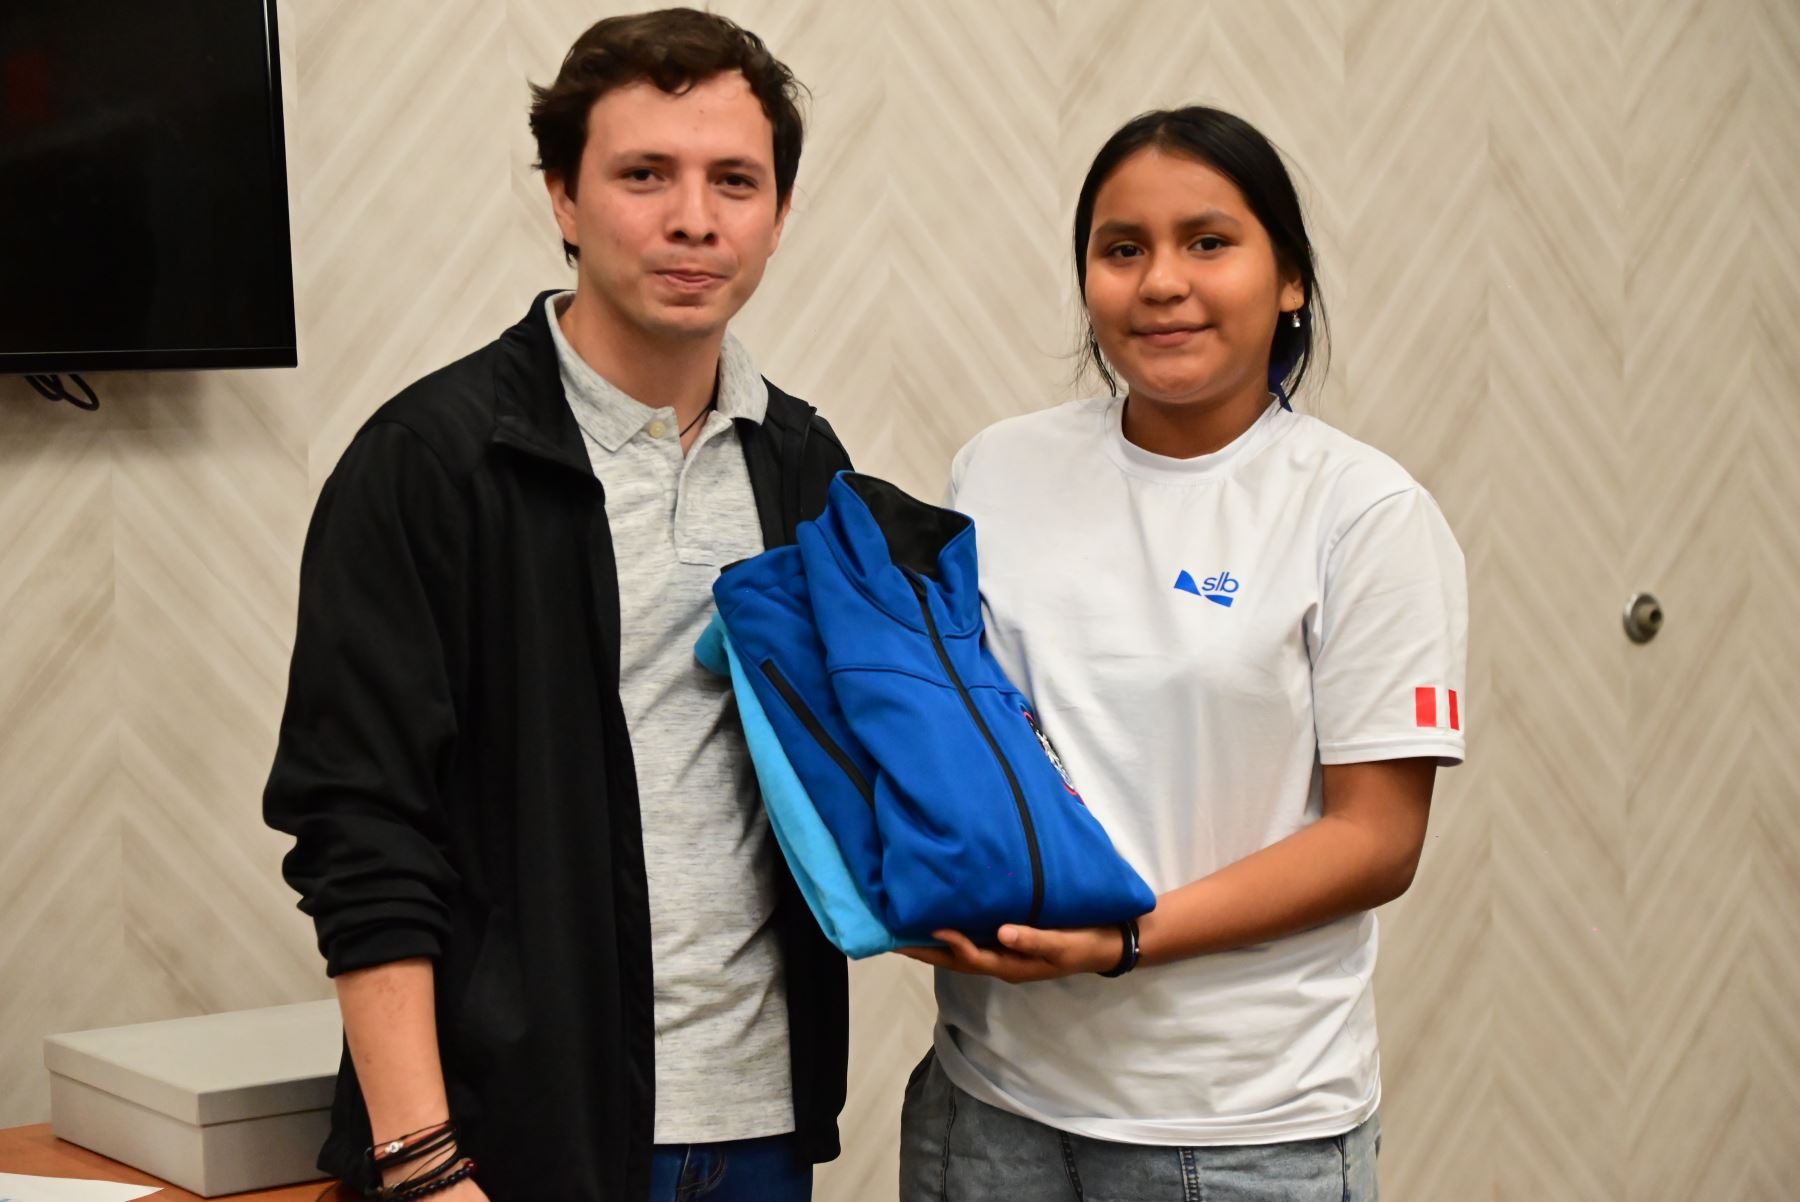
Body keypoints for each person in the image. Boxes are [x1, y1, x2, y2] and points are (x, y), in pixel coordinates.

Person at [263, 11, 851, 1201]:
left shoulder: (802, 462)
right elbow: (357, 826)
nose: (695, 218)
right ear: (564, 200)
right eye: (645, 175)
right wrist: (423, 1161)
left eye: (735, 180)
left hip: (761, 1128)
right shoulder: (430, 462)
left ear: (780, 215)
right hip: (506, 1142)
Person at [898, 105, 1468, 1202]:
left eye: (1208, 241)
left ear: (1290, 279)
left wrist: (1123, 937)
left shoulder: (1364, 511)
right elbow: (958, 732)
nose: (1161, 282)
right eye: (1123, 249)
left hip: (1241, 1127)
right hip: (989, 1101)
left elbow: (1378, 838)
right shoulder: (996, 470)